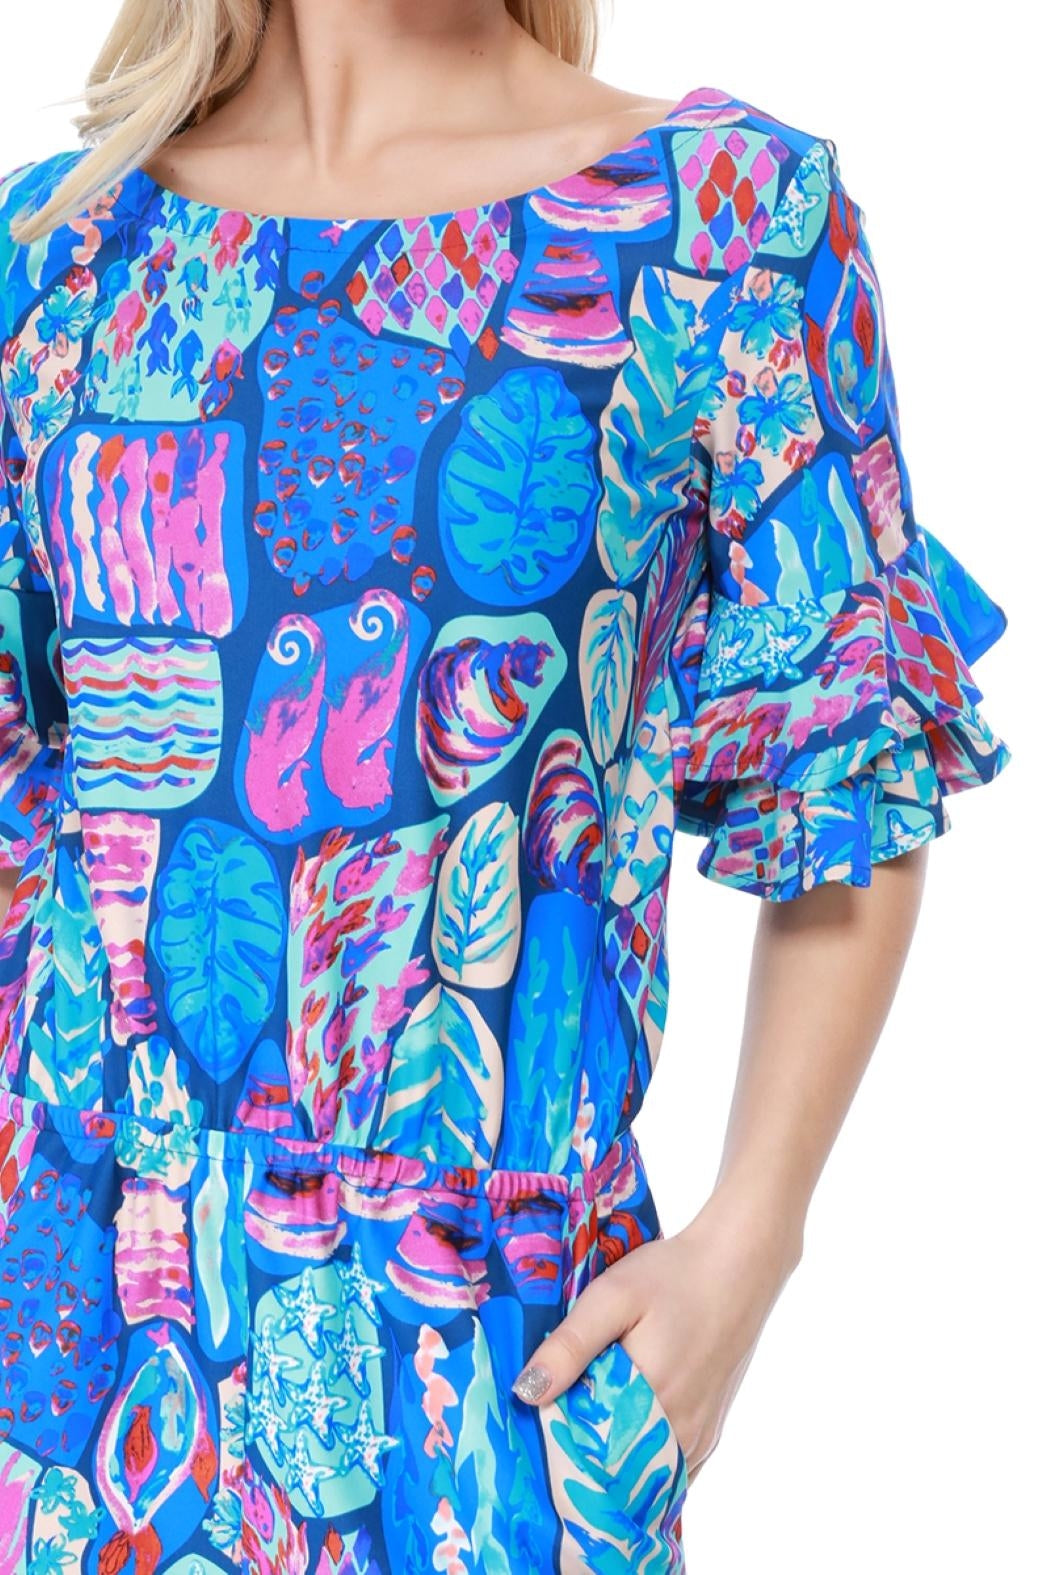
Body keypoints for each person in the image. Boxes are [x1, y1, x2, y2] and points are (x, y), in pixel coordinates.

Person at [0, 1, 1011, 1571]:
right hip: (75, 1320)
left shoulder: (722, 223)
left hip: (486, 1345)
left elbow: (847, 761)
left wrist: (749, 1245)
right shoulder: (59, 254)